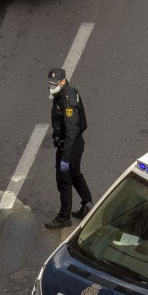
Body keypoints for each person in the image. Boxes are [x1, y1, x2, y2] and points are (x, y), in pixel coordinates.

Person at [44, 67, 93, 229]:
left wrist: (65, 157)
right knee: (76, 174)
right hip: (73, 144)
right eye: (50, 84)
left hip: (70, 146)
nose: (52, 87)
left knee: (64, 181)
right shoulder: (67, 93)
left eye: (54, 84)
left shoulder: (67, 101)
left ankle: (64, 217)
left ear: (63, 81)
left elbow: (71, 132)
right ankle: (88, 205)